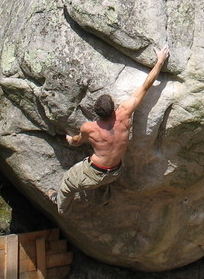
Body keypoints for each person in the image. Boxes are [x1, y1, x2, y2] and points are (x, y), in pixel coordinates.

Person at [53, 46, 170, 212]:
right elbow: (146, 86)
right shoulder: (124, 115)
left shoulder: (90, 128)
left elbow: (77, 141)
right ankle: (102, 201)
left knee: (67, 183)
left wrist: (70, 140)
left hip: (94, 172)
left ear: (97, 113)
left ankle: (60, 209)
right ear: (113, 107)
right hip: (115, 171)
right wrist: (160, 61)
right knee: (101, 182)